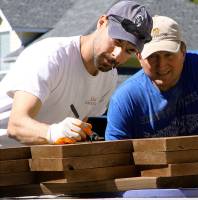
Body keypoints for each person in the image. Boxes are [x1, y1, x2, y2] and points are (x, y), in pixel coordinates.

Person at [105, 15, 198, 179]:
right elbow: (114, 163)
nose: (161, 64)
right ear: (139, 56)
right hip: (155, 193)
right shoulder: (124, 99)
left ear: (183, 50)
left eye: (168, 54)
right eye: (152, 56)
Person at [0, 0, 153, 146]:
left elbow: (75, 131)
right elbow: (16, 126)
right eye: (117, 41)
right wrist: (54, 132)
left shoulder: (108, 78)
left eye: (130, 50)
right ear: (101, 23)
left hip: (33, 160)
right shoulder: (51, 56)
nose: (118, 55)